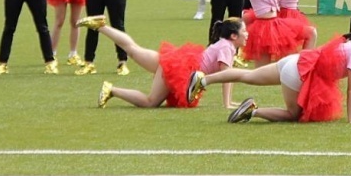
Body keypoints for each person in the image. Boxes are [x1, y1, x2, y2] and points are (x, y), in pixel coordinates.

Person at [190, 19, 351, 124]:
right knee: (293, 114)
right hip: (298, 71)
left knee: (247, 75)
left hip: (295, 62)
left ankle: (203, 80)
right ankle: (253, 111)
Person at [80, 14, 247, 109]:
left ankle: (101, 26)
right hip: (180, 69)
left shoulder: (226, 46)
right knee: (150, 102)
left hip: (177, 61)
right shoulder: (226, 48)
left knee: (133, 49)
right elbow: (228, 76)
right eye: (244, 32)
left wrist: (230, 102)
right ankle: (112, 90)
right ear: (234, 36)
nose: (247, 35)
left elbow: (228, 77)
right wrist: (227, 104)